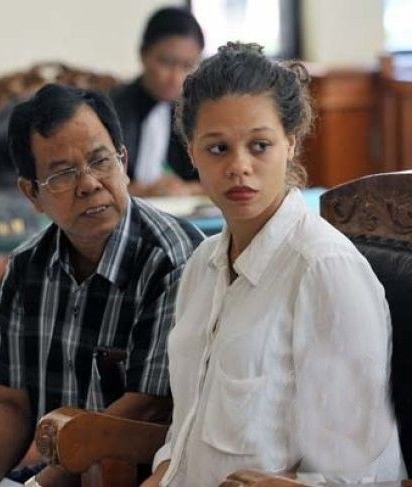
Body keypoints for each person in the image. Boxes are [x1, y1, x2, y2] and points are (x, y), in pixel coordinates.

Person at [141, 42, 407, 486]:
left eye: (260, 145)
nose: (239, 166)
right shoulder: (202, 264)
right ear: (191, 153)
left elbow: (356, 471)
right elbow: (185, 432)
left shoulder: (323, 268)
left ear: (291, 143)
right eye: (218, 148)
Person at [0, 84, 204, 487]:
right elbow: (11, 406)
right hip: (59, 475)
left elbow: (149, 408)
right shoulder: (26, 267)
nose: (88, 184)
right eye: (62, 174)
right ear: (32, 193)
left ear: (123, 162)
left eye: (100, 161)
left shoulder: (173, 259)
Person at [110, 7, 204, 197]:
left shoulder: (197, 113)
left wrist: (186, 189)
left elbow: (219, 176)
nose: (176, 78)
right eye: (166, 62)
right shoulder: (110, 109)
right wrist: (143, 191)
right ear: (143, 54)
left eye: (187, 66)